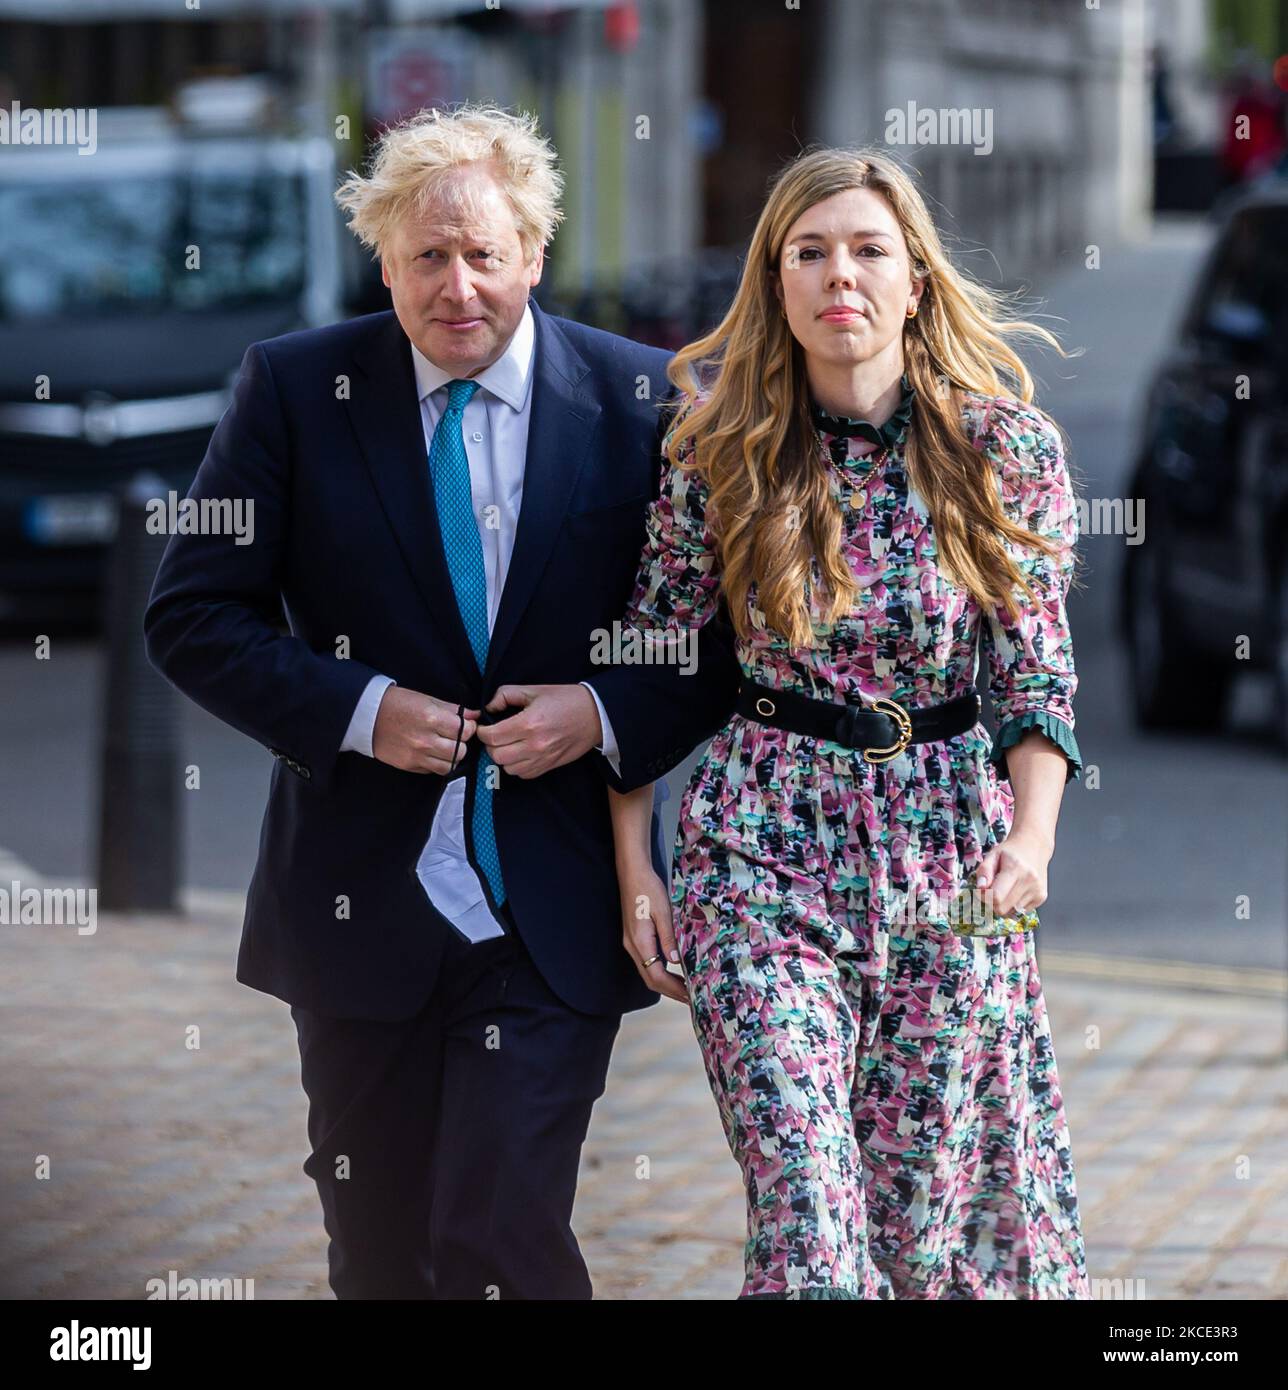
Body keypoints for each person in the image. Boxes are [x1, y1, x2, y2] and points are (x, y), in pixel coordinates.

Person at [142, 103, 740, 1300]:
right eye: (426, 255)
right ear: (384, 261)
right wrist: (360, 709)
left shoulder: (644, 400)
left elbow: (711, 637)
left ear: (535, 253)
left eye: (483, 253)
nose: (456, 286)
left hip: (551, 899)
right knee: (380, 1253)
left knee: (500, 1231)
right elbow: (192, 614)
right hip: (358, 904)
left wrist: (597, 711)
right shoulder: (295, 390)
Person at [604, 145, 1091, 1299]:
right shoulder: (717, 451)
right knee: (809, 1217)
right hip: (758, 852)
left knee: (917, 1236)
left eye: (869, 250)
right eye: (808, 253)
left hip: (947, 863)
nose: (840, 275)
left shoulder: (1001, 448)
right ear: (774, 282)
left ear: (914, 279)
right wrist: (636, 867)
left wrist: (1031, 840)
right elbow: (648, 666)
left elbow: (1036, 678)